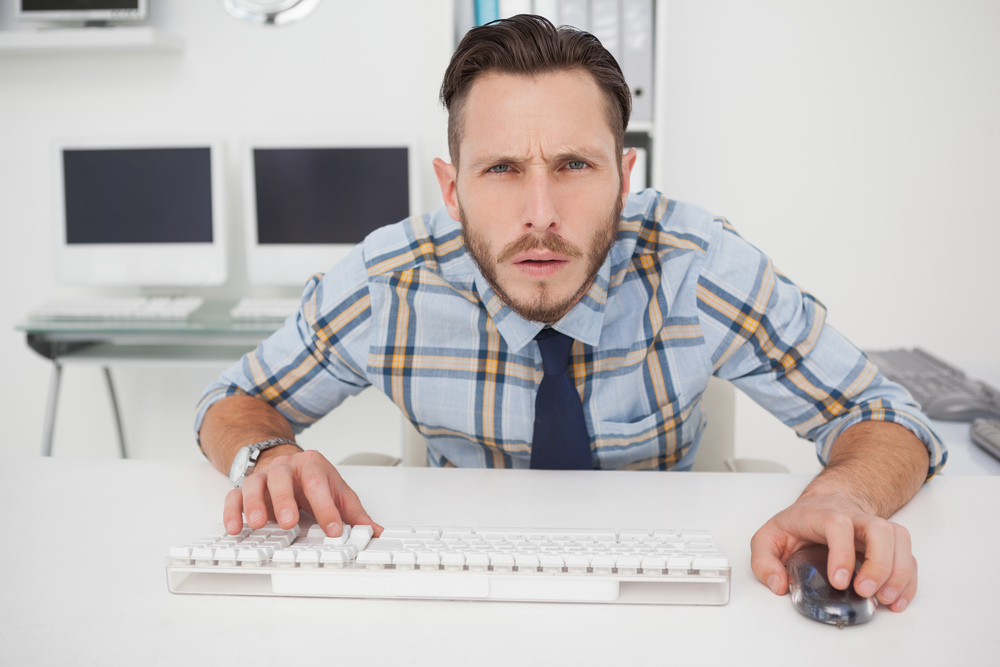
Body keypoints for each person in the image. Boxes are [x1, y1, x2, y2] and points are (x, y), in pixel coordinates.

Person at [195, 15, 945, 613]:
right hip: (455, 604)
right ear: (451, 190)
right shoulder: (387, 280)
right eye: (502, 170)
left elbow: (885, 414)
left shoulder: (699, 262)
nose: (540, 215)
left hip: (664, 599)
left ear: (624, 176)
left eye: (574, 165)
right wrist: (269, 457)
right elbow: (230, 404)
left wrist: (842, 494)